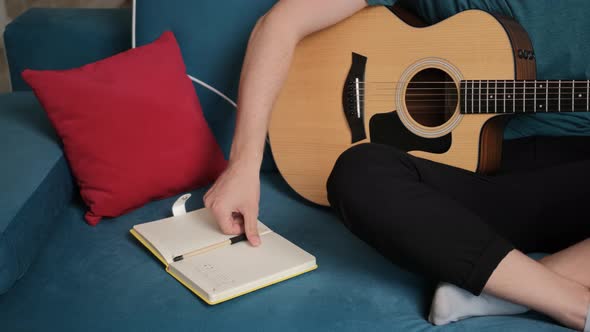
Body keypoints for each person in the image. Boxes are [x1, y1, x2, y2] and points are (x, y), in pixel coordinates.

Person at [203, 0, 590, 330]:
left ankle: (514, 293)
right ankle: (551, 295)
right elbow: (281, 22)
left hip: (573, 178)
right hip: (473, 188)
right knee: (357, 173)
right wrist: (243, 164)